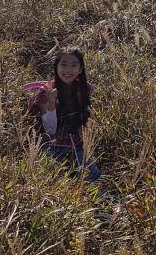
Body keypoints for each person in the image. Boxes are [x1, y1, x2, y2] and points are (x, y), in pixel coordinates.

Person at [25, 46, 102, 183]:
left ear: (80, 69)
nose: (68, 70)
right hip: (51, 146)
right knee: (52, 179)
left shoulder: (86, 91)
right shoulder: (46, 91)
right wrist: (51, 104)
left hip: (76, 146)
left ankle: (111, 203)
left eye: (73, 65)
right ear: (56, 67)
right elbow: (49, 130)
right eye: (64, 64)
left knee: (93, 178)